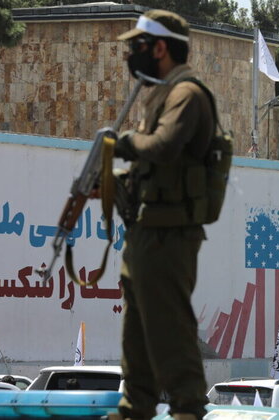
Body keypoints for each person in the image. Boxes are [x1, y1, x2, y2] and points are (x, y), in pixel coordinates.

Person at [112, 9, 215, 420]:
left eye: (138, 46)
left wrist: (125, 142)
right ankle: (135, 405)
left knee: (169, 324)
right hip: (144, 230)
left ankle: (188, 407)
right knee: (137, 330)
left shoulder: (186, 94)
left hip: (170, 233)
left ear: (160, 47)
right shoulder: (160, 93)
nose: (131, 55)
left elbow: (165, 145)